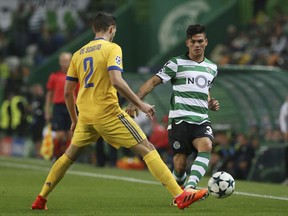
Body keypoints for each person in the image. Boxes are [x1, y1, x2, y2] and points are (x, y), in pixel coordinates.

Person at [31, 12, 208, 210]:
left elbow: (67, 93)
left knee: (68, 156)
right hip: (108, 114)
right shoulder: (112, 48)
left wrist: (74, 119)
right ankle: (180, 195)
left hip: (86, 117)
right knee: (147, 148)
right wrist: (141, 104)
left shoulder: (78, 54)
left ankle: (41, 199)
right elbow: (116, 81)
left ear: (93, 29)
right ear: (112, 29)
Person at [126, 24, 219, 205]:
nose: (197, 45)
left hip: (201, 119)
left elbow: (205, 89)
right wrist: (136, 101)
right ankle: (179, 195)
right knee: (179, 164)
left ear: (206, 42)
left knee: (206, 146)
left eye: (200, 41)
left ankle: (190, 189)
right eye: (193, 42)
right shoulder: (176, 63)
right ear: (187, 43)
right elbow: (153, 82)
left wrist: (210, 103)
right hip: (179, 119)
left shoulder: (212, 67)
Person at [44, 52, 72, 160]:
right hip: (58, 107)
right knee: (60, 135)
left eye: (67, 61)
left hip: (71, 107)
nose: (65, 63)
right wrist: (47, 110)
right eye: (63, 61)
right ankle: (56, 155)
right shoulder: (54, 76)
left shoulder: (76, 76)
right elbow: (49, 94)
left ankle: (67, 158)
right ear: (60, 62)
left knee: (70, 134)